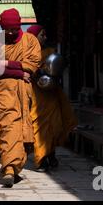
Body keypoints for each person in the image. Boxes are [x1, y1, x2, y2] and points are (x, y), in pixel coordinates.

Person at [0, 8, 41, 187]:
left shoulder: (31, 41)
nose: (11, 33)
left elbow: (33, 65)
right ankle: (9, 168)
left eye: (14, 29)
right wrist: (20, 72)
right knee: (8, 127)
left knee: (22, 128)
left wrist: (7, 63)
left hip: (24, 92)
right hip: (4, 90)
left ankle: (15, 165)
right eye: (8, 30)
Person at [27, 25, 78, 172]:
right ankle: (41, 159)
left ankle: (50, 153)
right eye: (41, 35)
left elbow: (58, 67)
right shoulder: (27, 54)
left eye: (45, 35)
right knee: (40, 128)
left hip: (52, 94)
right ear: (33, 37)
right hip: (38, 96)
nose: (45, 38)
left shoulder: (50, 52)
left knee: (55, 126)